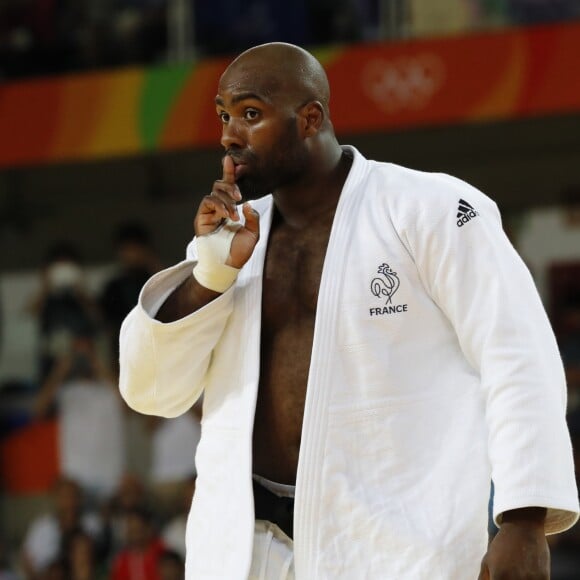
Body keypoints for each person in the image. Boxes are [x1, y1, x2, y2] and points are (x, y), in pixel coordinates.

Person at [119, 42, 579, 579]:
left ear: (309, 118)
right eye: (224, 116)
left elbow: (516, 355)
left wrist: (523, 520)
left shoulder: (427, 209)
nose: (228, 135)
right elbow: (149, 391)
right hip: (244, 548)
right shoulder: (232, 237)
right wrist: (210, 274)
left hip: (391, 546)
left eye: (251, 114)